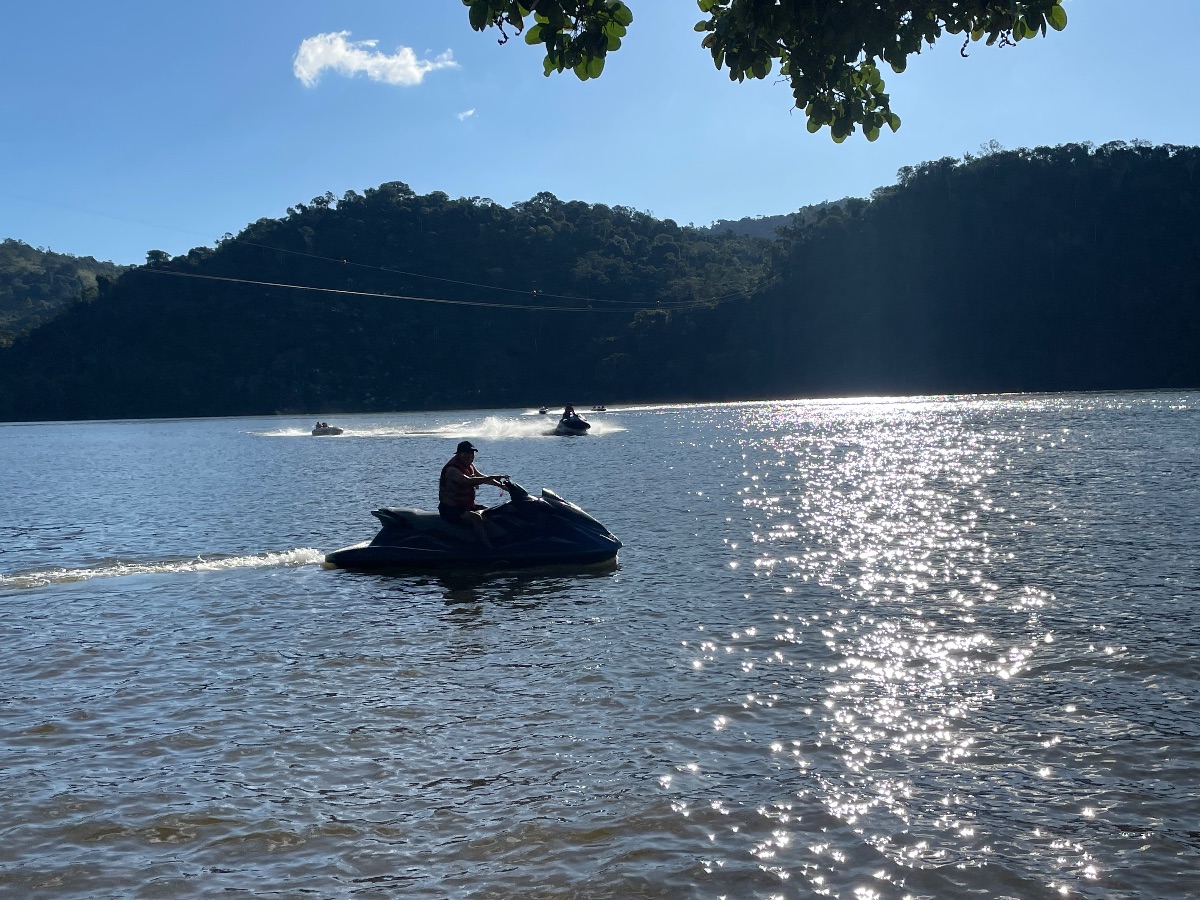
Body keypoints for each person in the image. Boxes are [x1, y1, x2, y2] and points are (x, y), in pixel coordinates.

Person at [438, 441, 508, 547]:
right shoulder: (452, 469)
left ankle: (500, 540)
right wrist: (493, 477)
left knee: (491, 511)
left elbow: (482, 478)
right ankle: (488, 548)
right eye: (467, 453)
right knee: (476, 518)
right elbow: (467, 481)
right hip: (451, 509)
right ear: (459, 454)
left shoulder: (469, 466)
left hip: (465, 506)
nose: (471, 456)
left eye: (472, 453)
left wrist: (501, 485)